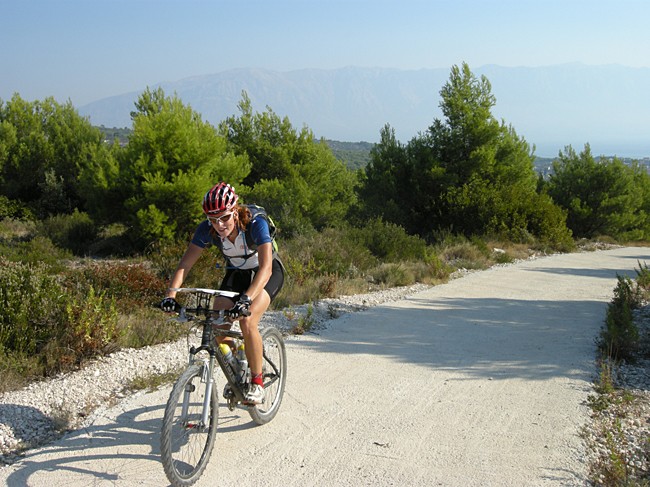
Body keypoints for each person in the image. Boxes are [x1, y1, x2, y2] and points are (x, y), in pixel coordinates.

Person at [160, 182, 284, 405]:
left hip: (267, 274)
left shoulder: (255, 224)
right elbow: (185, 264)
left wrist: (246, 299)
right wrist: (171, 296)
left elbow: (266, 268)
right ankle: (239, 356)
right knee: (216, 322)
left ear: (235, 211)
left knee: (247, 321)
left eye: (224, 217)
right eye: (212, 219)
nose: (219, 225)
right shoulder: (208, 229)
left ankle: (257, 382)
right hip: (236, 274)